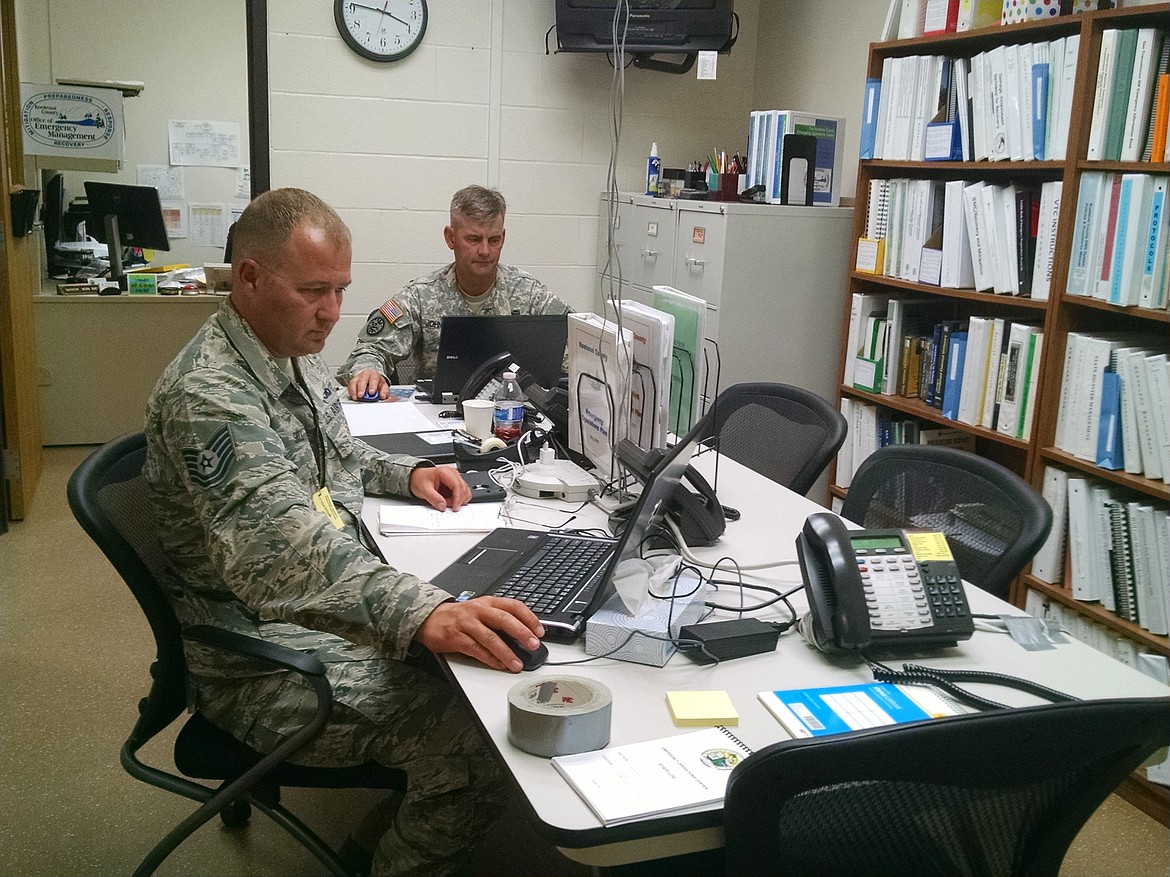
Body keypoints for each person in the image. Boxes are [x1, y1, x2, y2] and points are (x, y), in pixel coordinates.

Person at [143, 187, 544, 877]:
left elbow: (335, 454)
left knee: (472, 678)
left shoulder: (285, 350)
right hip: (257, 652)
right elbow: (279, 547)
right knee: (477, 746)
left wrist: (408, 472)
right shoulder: (211, 394)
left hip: (312, 615)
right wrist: (422, 609)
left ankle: (369, 853)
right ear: (249, 279)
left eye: (340, 291)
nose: (332, 313)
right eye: (314, 291)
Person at [341, 184, 570, 400]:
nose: (485, 250)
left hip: (512, 412)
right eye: (473, 239)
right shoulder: (421, 295)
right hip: (438, 413)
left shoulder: (528, 292)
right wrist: (368, 371)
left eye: (494, 240)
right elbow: (370, 349)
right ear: (451, 238)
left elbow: (578, 340)